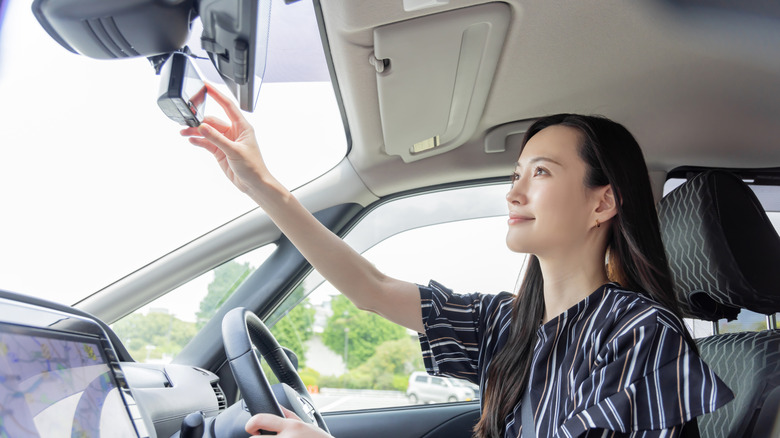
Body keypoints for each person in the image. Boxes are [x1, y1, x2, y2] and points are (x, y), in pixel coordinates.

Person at [181, 84, 733, 438]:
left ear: (602, 202)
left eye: (540, 172)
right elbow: (370, 287)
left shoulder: (641, 336)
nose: (514, 193)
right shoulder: (510, 324)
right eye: (516, 174)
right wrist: (263, 186)